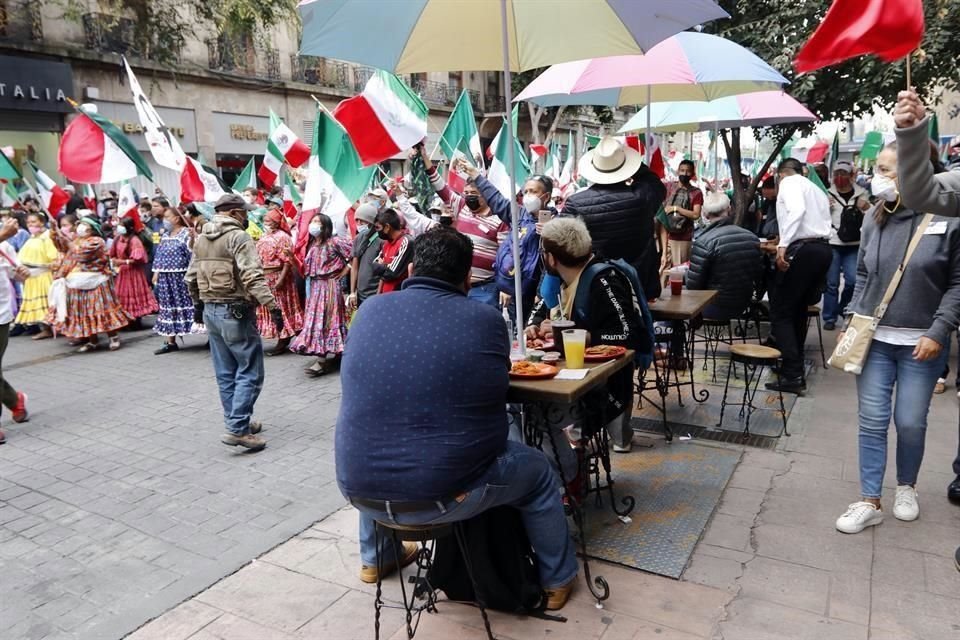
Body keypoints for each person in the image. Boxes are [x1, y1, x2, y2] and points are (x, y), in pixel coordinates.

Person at [336, 226, 578, 609]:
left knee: (381, 441)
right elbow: (497, 390)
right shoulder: (483, 320)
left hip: (355, 487)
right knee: (538, 473)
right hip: (445, 494)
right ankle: (558, 579)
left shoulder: (368, 310)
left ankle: (375, 558)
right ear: (467, 277)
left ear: (412, 268)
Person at [835, 142, 960, 534]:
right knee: (871, 421)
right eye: (880, 169)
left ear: (917, 176)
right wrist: (851, 320)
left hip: (922, 343)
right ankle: (870, 499)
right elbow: (866, 277)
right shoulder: (875, 217)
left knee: (909, 422)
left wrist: (939, 331)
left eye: (889, 171)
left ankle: (907, 486)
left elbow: (957, 284)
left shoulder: (948, 219)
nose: (879, 179)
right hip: (874, 339)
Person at [526, 218, 649, 456]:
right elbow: (540, 310)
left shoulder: (604, 280)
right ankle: (566, 465)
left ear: (551, 258)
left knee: (540, 416)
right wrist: (534, 326)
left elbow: (631, 335)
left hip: (603, 382)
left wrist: (584, 335)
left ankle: (567, 469)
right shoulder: (557, 282)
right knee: (536, 414)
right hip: (567, 375)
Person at [894, 90, 960, 508]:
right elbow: (921, 191)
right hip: (895, 334)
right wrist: (912, 133)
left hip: (927, 333)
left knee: (910, 420)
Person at [185, 193, 281, 451]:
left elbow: (190, 277)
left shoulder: (202, 237)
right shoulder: (239, 237)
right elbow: (252, 276)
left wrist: (197, 305)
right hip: (235, 311)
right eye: (245, 212)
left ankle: (237, 421)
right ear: (235, 213)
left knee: (226, 373)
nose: (248, 216)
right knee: (250, 370)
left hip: (210, 311)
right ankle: (238, 428)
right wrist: (272, 306)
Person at [563, 135, 666, 300]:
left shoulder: (575, 203)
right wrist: (633, 164)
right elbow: (654, 181)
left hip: (595, 284)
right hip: (640, 286)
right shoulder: (643, 197)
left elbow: (562, 245)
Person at [764, 158, 832, 395]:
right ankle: (794, 366)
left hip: (803, 251)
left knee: (780, 311)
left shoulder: (791, 182)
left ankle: (793, 373)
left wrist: (783, 245)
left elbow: (797, 211)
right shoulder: (815, 189)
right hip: (821, 249)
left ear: (781, 174)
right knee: (797, 310)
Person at [416, 145, 510, 307]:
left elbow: (505, 257)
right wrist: (425, 158)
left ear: (485, 195)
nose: (469, 197)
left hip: (485, 289)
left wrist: (506, 285)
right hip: (457, 285)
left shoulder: (500, 220)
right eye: (466, 193)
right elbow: (440, 186)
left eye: (474, 194)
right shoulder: (461, 206)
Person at [48, 213, 131, 352]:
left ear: (92, 228)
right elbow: (62, 246)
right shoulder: (76, 240)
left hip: (97, 281)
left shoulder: (97, 241)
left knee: (102, 310)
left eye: (85, 225)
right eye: (80, 224)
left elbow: (80, 253)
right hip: (79, 281)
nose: (81, 227)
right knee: (84, 311)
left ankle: (113, 337)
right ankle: (93, 341)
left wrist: (67, 241)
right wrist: (54, 230)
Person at [289, 213, 351, 376]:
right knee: (317, 321)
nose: (313, 224)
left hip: (329, 286)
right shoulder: (312, 245)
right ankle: (328, 355)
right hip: (315, 287)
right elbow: (305, 271)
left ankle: (327, 358)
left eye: (317, 222)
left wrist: (346, 270)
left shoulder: (334, 241)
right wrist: (292, 258)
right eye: (312, 221)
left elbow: (353, 254)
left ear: (325, 226)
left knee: (329, 320)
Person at [685, 192, 762, 321]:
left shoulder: (703, 242)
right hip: (744, 305)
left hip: (714, 305)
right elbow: (759, 275)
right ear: (730, 209)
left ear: (705, 214)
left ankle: (665, 339)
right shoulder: (752, 238)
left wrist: (686, 274)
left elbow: (693, 287)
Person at [823, 161, 871, 331]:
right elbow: (820, 219)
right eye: (837, 174)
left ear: (851, 176)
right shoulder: (826, 194)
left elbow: (872, 216)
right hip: (833, 242)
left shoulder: (862, 194)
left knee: (852, 281)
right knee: (832, 283)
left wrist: (866, 208)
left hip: (854, 244)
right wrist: (824, 207)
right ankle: (829, 317)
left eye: (844, 173)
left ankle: (843, 309)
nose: (840, 177)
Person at [256, 209, 303, 356]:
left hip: (279, 277)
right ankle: (288, 336)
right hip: (266, 277)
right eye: (265, 221)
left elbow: (288, 262)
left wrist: (281, 279)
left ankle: (285, 339)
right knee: (272, 309)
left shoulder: (283, 237)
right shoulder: (264, 236)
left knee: (282, 308)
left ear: (277, 222)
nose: (266, 224)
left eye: (269, 221)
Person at [0, 217, 31, 444]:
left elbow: (15, 274)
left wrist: (23, 272)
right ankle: (14, 400)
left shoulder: (5, 246)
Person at [152, 208, 196, 355]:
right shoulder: (165, 235)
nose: (164, 219)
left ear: (177, 219)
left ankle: (210, 338)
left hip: (182, 278)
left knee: (190, 305)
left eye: (167, 216)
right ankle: (170, 342)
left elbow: (193, 255)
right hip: (165, 278)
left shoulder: (186, 234)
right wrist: (157, 272)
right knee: (168, 307)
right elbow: (159, 255)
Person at [14, 212, 59, 340]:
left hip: (43, 275)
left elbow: (53, 257)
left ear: (42, 222)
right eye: (29, 223)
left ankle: (50, 328)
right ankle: (45, 329)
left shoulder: (47, 237)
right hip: (31, 277)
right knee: (37, 303)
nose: (31, 225)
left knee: (46, 302)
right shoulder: (32, 238)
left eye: (33, 222)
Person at [110, 215, 158, 327]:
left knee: (135, 294)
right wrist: (116, 261)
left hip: (134, 273)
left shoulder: (134, 240)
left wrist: (123, 262)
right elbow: (112, 254)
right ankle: (127, 318)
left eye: (122, 225)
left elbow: (138, 259)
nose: (119, 227)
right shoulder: (118, 239)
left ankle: (136, 319)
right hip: (122, 273)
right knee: (122, 295)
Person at [659, 159, 703, 274]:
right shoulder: (668, 187)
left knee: (678, 273)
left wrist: (676, 208)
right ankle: (662, 292)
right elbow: (662, 218)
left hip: (683, 238)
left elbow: (696, 214)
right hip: (666, 236)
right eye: (682, 170)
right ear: (678, 171)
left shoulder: (696, 192)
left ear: (692, 173)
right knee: (663, 272)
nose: (684, 174)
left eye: (688, 171)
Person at [346, 203, 382, 310]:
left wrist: (379, 293)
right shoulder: (359, 237)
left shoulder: (382, 240)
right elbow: (355, 267)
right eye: (357, 220)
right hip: (361, 292)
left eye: (363, 221)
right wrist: (352, 292)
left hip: (375, 292)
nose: (359, 223)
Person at [371, 209, 412, 294]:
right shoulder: (386, 244)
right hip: (385, 294)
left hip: (399, 295)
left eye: (378, 227)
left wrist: (382, 265)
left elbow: (392, 274)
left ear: (387, 227)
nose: (377, 231)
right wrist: (385, 266)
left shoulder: (406, 242)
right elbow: (374, 264)